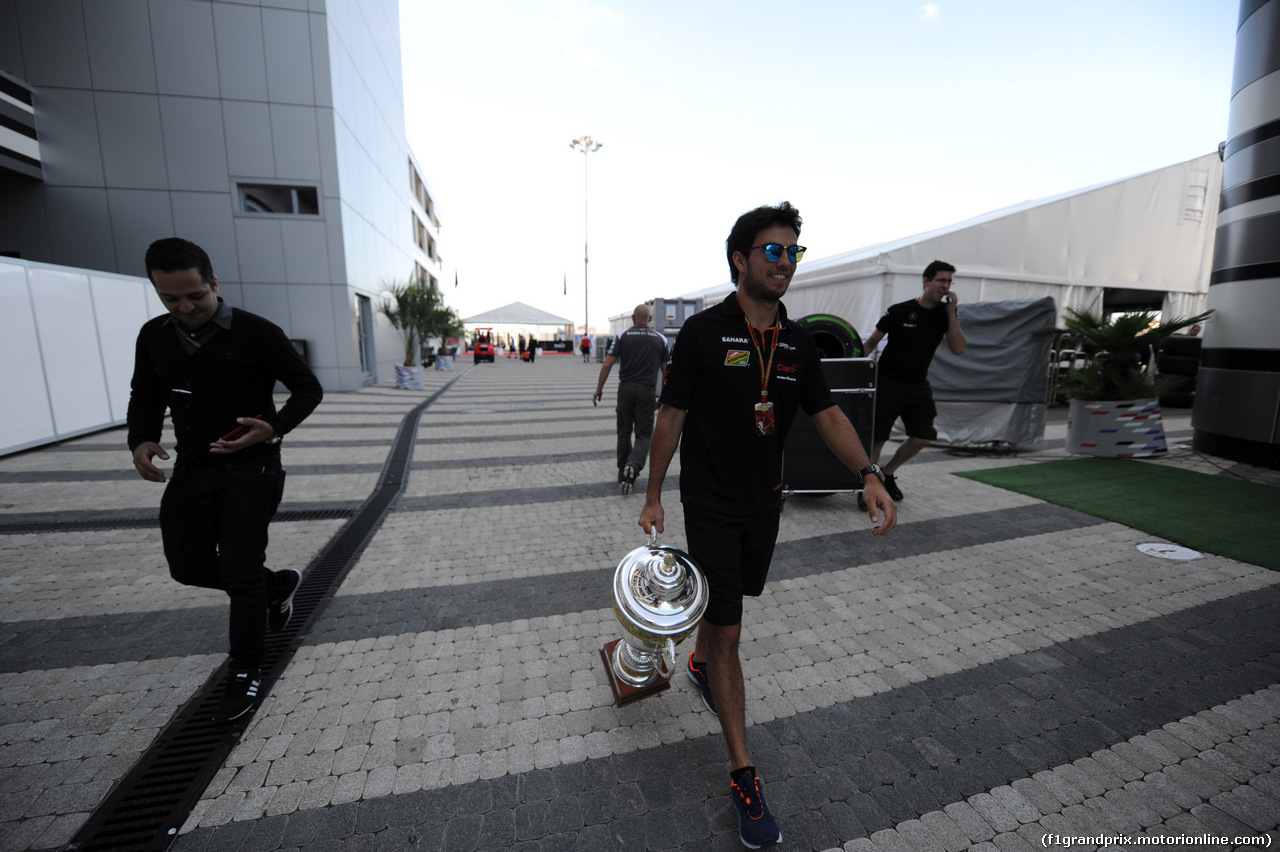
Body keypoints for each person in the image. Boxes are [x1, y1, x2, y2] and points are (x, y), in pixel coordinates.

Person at [639, 202, 896, 849]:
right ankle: (743, 774)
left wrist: (869, 472)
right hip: (711, 504)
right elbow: (670, 418)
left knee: (726, 609)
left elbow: (828, 414)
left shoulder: (799, 342)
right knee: (729, 629)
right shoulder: (701, 334)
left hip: (765, 504)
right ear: (740, 260)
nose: (784, 263)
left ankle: (698, 661)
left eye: (792, 253)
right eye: (773, 251)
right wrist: (653, 497)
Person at [127, 237, 323, 723]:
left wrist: (273, 427)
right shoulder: (153, 335)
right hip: (192, 470)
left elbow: (307, 388)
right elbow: (145, 394)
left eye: (194, 294)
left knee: (238, 570)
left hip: (251, 471)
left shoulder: (257, 332)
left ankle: (246, 669)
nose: (185, 306)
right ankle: (274, 587)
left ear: (213, 282)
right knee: (187, 565)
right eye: (170, 298)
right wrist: (142, 439)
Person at [861, 260, 966, 501]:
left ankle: (887, 474)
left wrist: (951, 313)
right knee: (878, 438)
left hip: (917, 384)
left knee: (923, 435)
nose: (945, 286)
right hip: (888, 382)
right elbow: (870, 343)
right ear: (926, 281)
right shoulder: (899, 310)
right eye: (941, 280)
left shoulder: (944, 314)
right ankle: (870, 485)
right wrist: (848, 368)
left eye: (949, 281)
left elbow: (958, 348)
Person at [593, 304, 668, 494]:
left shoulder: (622, 336)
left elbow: (608, 363)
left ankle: (622, 471)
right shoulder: (661, 339)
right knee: (644, 434)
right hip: (647, 391)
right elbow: (666, 370)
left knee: (624, 431)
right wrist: (665, 397)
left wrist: (599, 389)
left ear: (633, 318)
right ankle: (633, 466)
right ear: (649, 319)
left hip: (625, 390)